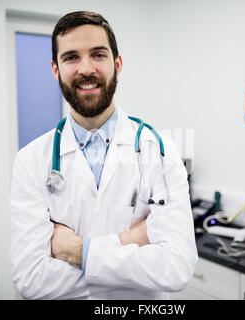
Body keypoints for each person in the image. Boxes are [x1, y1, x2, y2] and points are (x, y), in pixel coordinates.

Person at [10, 11, 198, 300]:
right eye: (71, 57)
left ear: (117, 64)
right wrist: (129, 242)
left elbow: (176, 268)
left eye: (98, 55)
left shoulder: (159, 151)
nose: (86, 69)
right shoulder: (31, 161)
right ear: (55, 69)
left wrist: (77, 251)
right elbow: (31, 279)